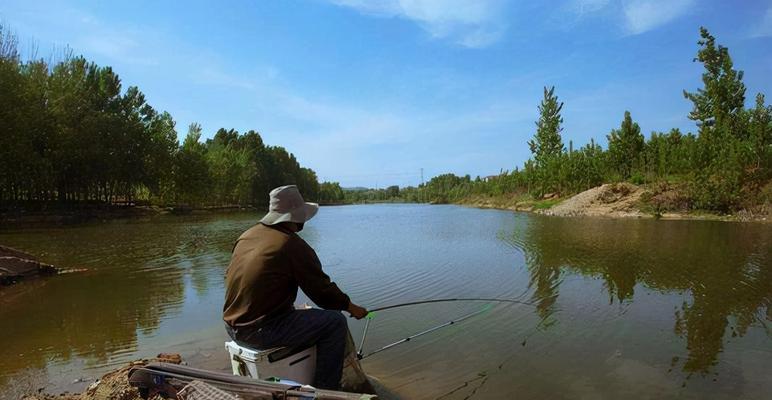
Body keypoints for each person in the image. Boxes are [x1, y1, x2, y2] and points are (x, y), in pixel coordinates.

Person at [223, 185, 368, 390]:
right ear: (296, 217)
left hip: (232, 327)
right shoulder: (291, 245)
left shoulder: (246, 236)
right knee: (335, 322)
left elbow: (245, 283)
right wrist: (352, 307)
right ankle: (327, 390)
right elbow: (323, 293)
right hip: (258, 332)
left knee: (306, 313)